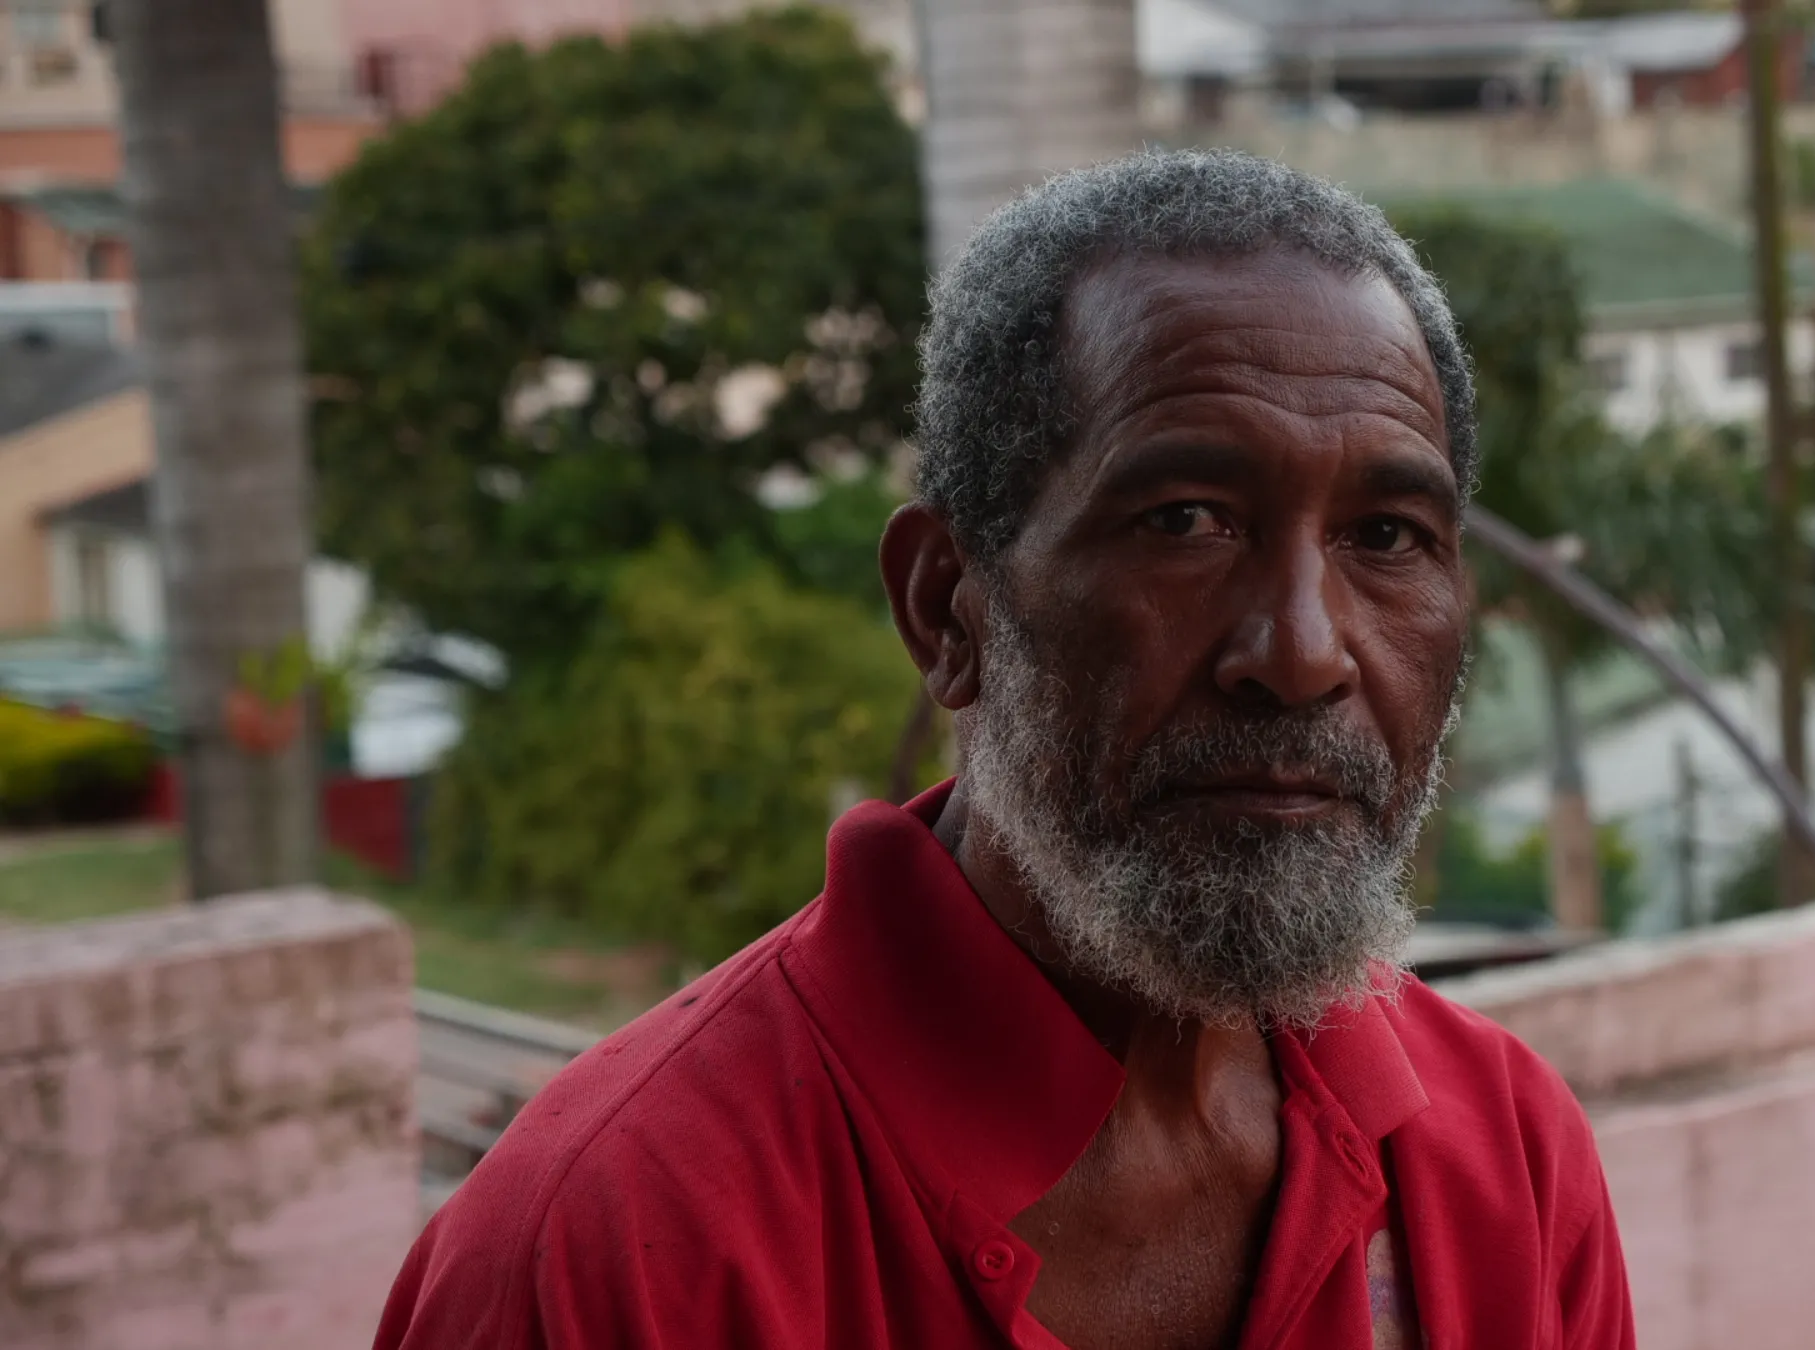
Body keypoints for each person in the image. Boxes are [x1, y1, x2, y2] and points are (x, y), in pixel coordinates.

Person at [374, 149, 1635, 1350]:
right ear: (945, 608)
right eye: (1185, 520)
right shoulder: (613, 1249)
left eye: (1388, 536)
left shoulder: (1500, 1159)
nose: (1303, 654)